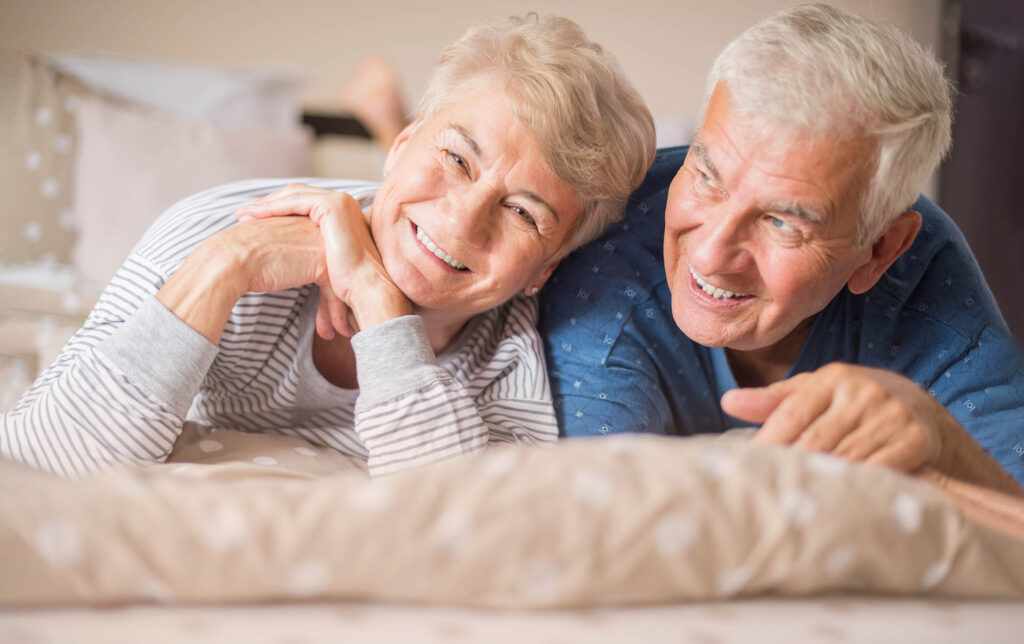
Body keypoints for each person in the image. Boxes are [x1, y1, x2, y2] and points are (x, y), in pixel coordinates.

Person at [0, 14, 656, 478]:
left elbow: (453, 532)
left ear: (545, 270)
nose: (464, 220)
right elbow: (41, 465)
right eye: (456, 158)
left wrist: (377, 298)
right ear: (402, 146)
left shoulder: (512, 364)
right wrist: (228, 263)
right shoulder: (213, 231)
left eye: (522, 212)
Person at [540, 3, 1024, 494]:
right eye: (707, 177)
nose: (707, 255)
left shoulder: (937, 303)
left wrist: (947, 449)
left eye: (781, 222)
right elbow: (599, 514)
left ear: (879, 249)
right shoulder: (606, 267)